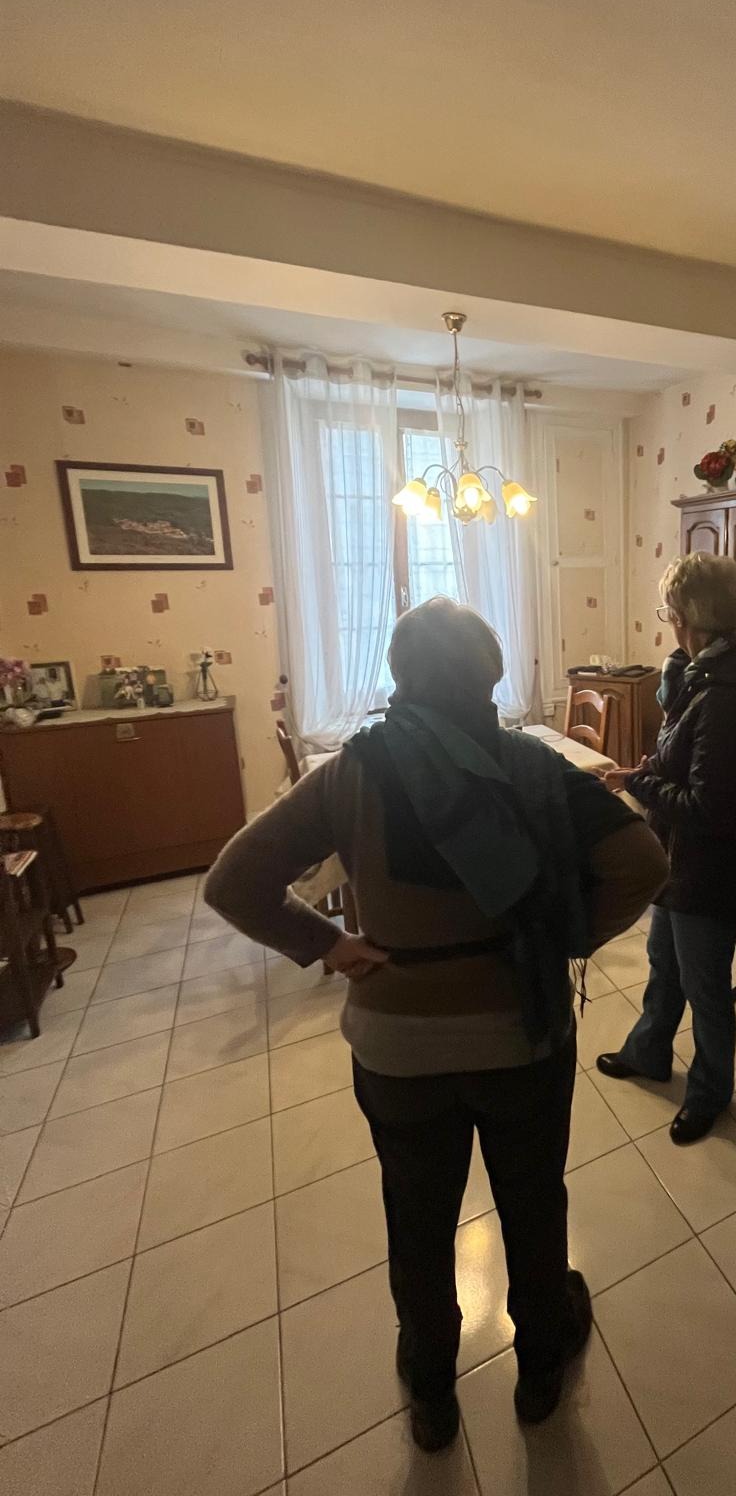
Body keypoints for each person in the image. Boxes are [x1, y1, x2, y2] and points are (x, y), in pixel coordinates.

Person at [204, 599, 667, 1453]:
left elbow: (232, 881)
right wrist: (568, 939)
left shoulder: (353, 770)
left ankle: (431, 1388)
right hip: (521, 1035)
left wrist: (328, 945)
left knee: (416, 1217)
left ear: (399, 676)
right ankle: (539, 1364)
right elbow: (643, 862)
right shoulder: (532, 763)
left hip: (398, 1046)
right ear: (492, 675)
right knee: (534, 1201)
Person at [598, 554, 736, 1144]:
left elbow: (709, 807)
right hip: (679, 859)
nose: (668, 622)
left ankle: (710, 1092)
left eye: (669, 612)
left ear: (686, 617)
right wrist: (653, 768)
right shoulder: (704, 678)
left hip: (711, 866)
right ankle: (648, 1052)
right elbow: (682, 752)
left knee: (705, 987)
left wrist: (638, 783)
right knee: (664, 965)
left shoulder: (728, 697)